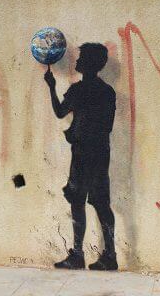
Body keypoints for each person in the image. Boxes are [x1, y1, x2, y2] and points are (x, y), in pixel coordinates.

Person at [44, 43, 118, 271]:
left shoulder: (77, 90)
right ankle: (110, 255)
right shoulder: (107, 92)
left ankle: (77, 255)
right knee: (102, 203)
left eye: (80, 58)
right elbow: (108, 126)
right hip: (100, 152)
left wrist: (51, 86)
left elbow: (59, 112)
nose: (76, 61)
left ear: (88, 63)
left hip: (82, 153)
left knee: (78, 200)